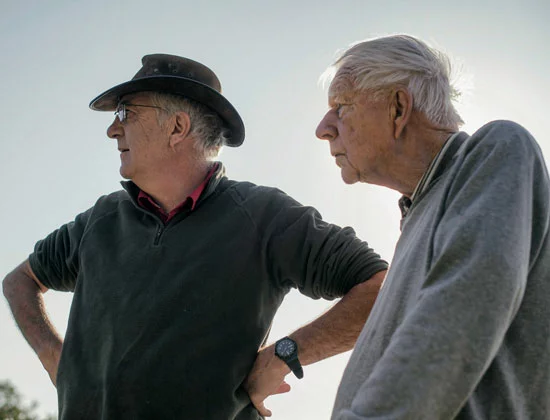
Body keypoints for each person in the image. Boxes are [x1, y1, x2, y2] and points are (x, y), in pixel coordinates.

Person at [3, 54, 388, 420]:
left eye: (126, 113)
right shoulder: (98, 221)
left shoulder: (264, 217)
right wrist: (53, 355)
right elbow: (19, 281)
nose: (112, 128)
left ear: (177, 128)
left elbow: (383, 287)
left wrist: (287, 352)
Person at [316, 34, 550, 419]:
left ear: (398, 108)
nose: (323, 129)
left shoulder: (496, 151)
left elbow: (463, 306)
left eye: (341, 106)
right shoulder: (419, 212)